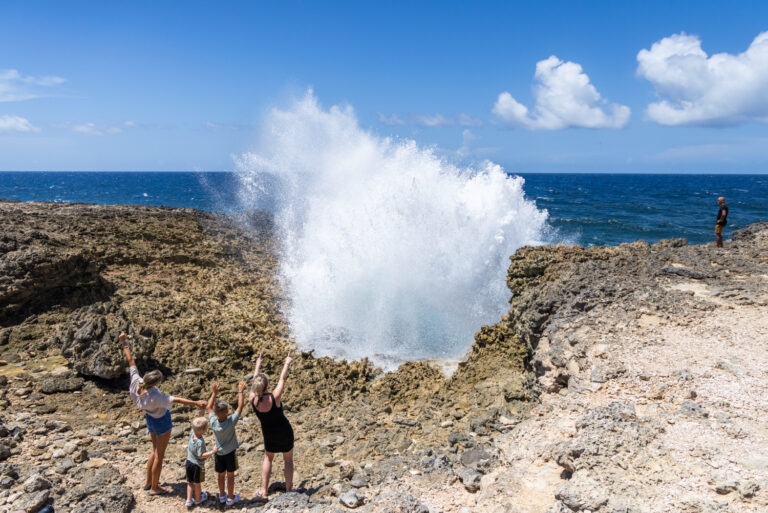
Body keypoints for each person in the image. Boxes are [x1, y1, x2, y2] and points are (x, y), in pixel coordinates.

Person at [119, 331, 206, 495]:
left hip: (150, 419)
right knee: (159, 454)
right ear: (154, 384)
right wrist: (196, 402)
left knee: (153, 451)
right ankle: (154, 487)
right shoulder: (156, 397)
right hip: (161, 422)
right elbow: (177, 400)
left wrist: (124, 343)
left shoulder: (135, 382)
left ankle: (148, 482)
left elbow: (130, 360)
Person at [249, 352, 295, 497]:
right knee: (288, 460)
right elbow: (282, 378)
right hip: (284, 431)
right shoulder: (274, 397)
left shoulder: (252, 399)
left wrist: (257, 364)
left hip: (268, 434)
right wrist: (287, 362)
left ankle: (264, 490)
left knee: (268, 458)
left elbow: (253, 384)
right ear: (268, 385)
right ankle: (288, 490)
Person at [207, 381, 246, 506]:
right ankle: (230, 497)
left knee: (220, 475)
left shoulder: (213, 422)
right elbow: (240, 407)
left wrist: (214, 393)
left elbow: (209, 407)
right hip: (230, 453)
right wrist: (240, 391)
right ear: (227, 412)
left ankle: (222, 496)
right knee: (230, 476)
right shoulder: (230, 422)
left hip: (218, 453)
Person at [186, 412, 217, 508]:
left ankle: (189, 500)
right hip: (197, 465)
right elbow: (201, 455)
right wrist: (212, 452)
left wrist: (202, 412)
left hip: (188, 462)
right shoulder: (200, 442)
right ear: (204, 430)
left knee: (190, 483)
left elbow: (197, 423)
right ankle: (198, 499)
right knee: (197, 483)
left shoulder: (192, 433)